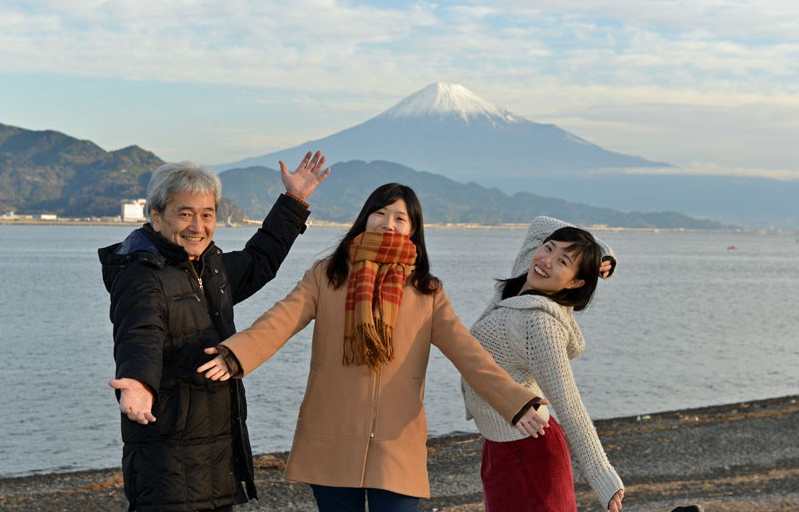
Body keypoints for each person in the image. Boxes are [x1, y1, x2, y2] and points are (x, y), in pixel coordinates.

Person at [197, 183, 550, 512]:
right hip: (331, 436)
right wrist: (235, 354)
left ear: (413, 229)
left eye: (400, 218)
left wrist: (516, 402)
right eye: (380, 213)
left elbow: (467, 352)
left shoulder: (427, 292)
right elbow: (280, 321)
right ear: (365, 218)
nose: (388, 223)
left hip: (397, 443)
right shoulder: (327, 275)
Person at [99, 152, 330, 511]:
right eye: (185, 213)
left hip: (216, 451)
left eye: (207, 214)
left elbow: (260, 259)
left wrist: (294, 201)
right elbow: (140, 333)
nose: (197, 226)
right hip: (168, 455)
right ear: (156, 217)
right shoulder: (141, 275)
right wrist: (138, 383)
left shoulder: (211, 269)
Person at [461, 216, 625, 512]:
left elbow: (570, 404)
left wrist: (602, 476)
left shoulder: (539, 323)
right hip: (501, 445)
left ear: (575, 282)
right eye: (548, 248)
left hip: (529, 448)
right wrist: (600, 252)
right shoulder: (518, 286)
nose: (546, 260)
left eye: (563, 262)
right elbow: (540, 225)